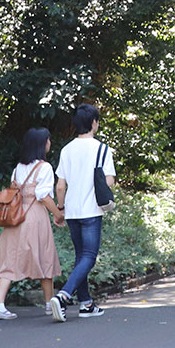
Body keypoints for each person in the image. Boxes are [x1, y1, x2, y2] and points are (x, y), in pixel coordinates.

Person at [0, 127, 66, 321]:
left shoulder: (18, 168)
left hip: (16, 217)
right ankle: (49, 303)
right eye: (48, 140)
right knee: (45, 256)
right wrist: (58, 214)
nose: (49, 143)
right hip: (35, 217)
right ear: (41, 144)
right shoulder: (44, 168)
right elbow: (43, 196)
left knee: (10, 260)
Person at [54, 104, 117, 318]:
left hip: (72, 211)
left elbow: (60, 186)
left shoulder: (66, 149)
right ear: (93, 123)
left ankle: (86, 303)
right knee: (89, 256)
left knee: (80, 255)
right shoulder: (102, 149)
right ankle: (63, 296)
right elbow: (108, 181)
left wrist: (60, 209)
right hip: (91, 210)